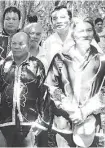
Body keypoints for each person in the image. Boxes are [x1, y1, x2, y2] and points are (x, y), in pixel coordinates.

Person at [45, 17, 105, 147]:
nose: (85, 34)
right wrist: (71, 110)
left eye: (89, 30)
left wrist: (85, 111)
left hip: (90, 122)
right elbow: (52, 87)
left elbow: (103, 92)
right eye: (81, 31)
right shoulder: (60, 58)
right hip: (64, 121)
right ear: (73, 34)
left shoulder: (101, 60)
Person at [0, 32, 51, 147]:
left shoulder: (36, 65)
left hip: (30, 122)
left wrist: (42, 122)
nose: (17, 47)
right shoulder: (3, 65)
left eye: (21, 44)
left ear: (28, 45)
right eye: (14, 43)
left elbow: (44, 95)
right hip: (5, 120)